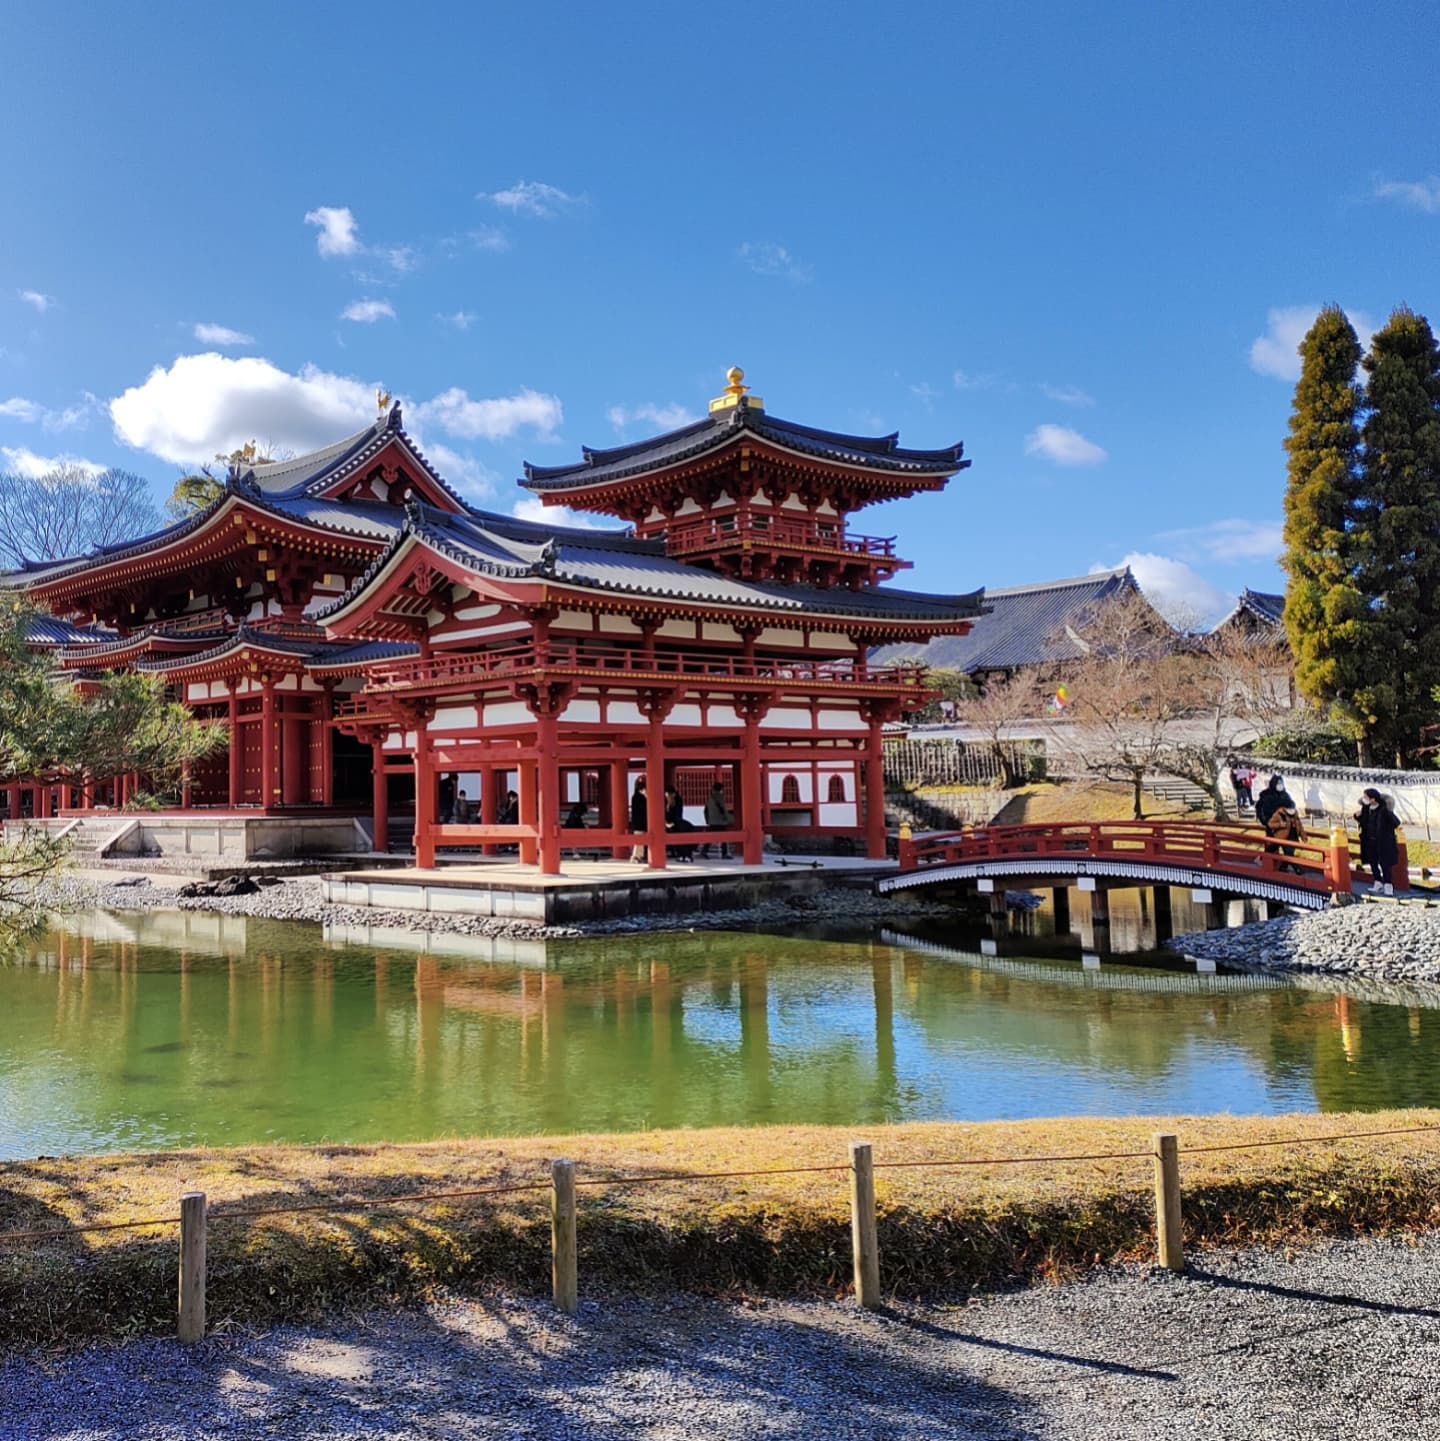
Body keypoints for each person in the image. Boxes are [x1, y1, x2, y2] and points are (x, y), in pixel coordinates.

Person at [1356, 788, 1400, 895]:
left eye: (1366, 797)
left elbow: (1396, 822)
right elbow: (1364, 823)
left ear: (1373, 799)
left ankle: (1388, 885)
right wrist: (1357, 816)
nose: (1364, 799)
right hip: (1369, 840)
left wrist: (1388, 818)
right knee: (1373, 862)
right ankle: (1378, 882)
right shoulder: (1366, 809)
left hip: (1383, 841)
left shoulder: (1383, 810)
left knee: (1385, 863)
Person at [1265, 801, 1306, 874]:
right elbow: (1270, 824)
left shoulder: (1295, 815)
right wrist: (1280, 824)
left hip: (1293, 837)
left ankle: (1283, 867)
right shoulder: (1279, 814)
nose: (1292, 810)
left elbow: (1300, 826)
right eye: (1290, 808)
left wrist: (1304, 837)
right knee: (1289, 853)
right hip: (1283, 838)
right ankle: (1297, 869)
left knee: (1288, 853)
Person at [665, 785, 696, 861]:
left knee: (681, 839)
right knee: (679, 840)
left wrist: (671, 823)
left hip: (676, 823)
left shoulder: (677, 800)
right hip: (672, 823)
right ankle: (682, 855)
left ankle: (685, 855)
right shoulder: (666, 801)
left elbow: (677, 814)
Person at [702, 781, 731, 859]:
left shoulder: (710, 798)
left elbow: (705, 810)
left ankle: (704, 851)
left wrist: (707, 820)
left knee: (710, 837)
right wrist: (727, 818)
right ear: (721, 789)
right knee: (724, 838)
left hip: (712, 821)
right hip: (720, 821)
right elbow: (723, 810)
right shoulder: (720, 797)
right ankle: (724, 853)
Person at [629, 777, 648, 863]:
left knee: (640, 841)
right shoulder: (639, 797)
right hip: (639, 822)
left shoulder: (635, 796)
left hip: (639, 822)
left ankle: (640, 856)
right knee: (639, 841)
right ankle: (636, 856)